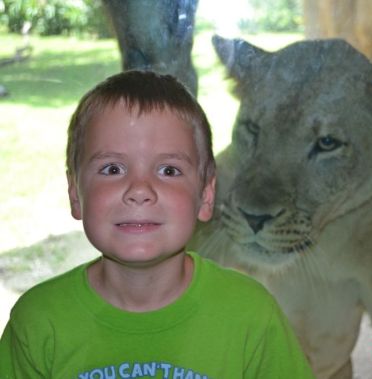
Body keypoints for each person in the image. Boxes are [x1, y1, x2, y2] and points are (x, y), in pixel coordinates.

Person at [0, 71, 315, 379]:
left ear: (206, 194)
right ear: (75, 193)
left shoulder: (251, 315)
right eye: (112, 168)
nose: (140, 190)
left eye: (168, 170)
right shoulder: (38, 322)